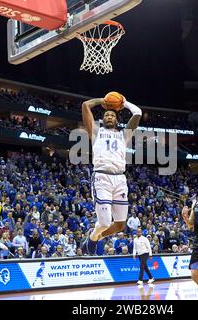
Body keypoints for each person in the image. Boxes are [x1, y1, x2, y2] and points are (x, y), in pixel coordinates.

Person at [81, 93, 142, 255]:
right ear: (103, 119)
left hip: (120, 179)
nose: (109, 116)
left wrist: (125, 102)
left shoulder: (124, 134)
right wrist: (103, 101)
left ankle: (95, 238)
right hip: (102, 177)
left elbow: (138, 113)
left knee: (120, 224)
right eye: (106, 114)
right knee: (105, 222)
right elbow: (86, 105)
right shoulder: (95, 131)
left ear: (117, 120)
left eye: (112, 115)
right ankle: (94, 236)